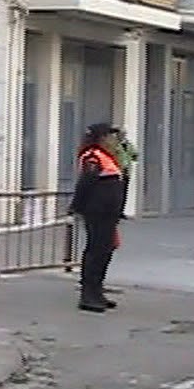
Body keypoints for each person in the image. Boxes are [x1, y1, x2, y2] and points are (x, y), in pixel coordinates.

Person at [70, 123, 125, 313]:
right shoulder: (93, 156)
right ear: (100, 137)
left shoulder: (107, 156)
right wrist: (76, 207)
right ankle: (88, 295)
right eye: (110, 135)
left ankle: (97, 291)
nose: (113, 139)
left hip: (108, 213)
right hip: (97, 212)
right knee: (95, 252)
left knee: (105, 251)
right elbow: (86, 183)